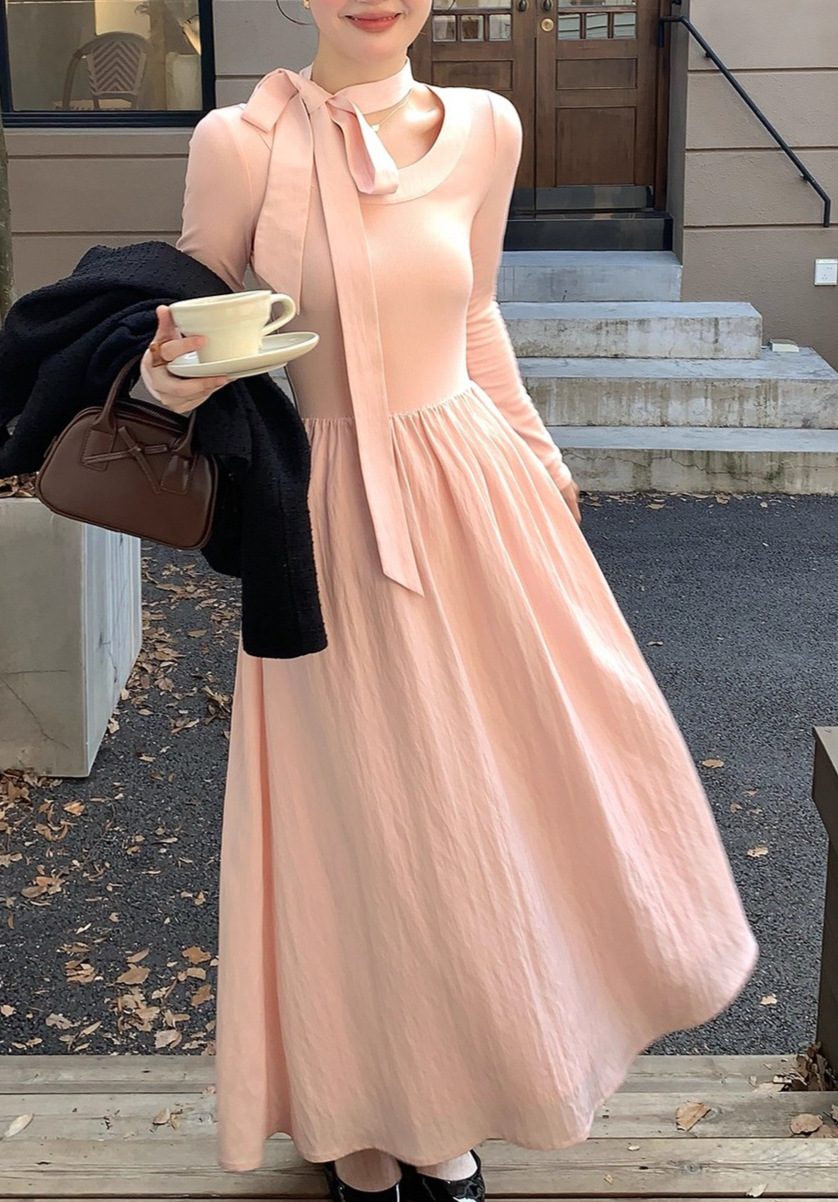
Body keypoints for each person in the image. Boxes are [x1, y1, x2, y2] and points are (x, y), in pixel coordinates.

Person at [139, 2, 761, 1200]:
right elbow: (198, 337)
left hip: (475, 499)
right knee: (362, 822)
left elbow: (473, 316)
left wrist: (539, 458)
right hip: (322, 521)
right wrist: (168, 372)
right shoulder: (236, 142)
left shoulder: (486, 126)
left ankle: (453, 1098)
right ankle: (362, 1106)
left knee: (493, 806)